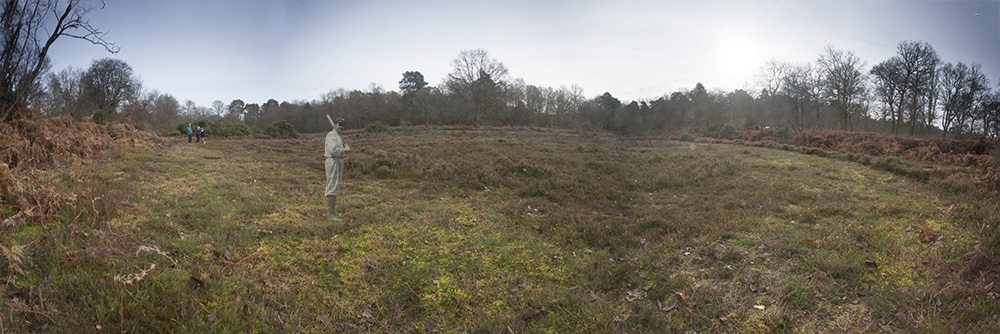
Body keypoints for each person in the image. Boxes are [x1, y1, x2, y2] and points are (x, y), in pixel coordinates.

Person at [324, 117, 350, 222]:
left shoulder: (337, 135)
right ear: (334, 124)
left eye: (342, 125)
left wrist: (343, 148)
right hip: (333, 161)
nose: (340, 127)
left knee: (336, 186)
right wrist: (345, 149)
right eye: (338, 124)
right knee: (332, 186)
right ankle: (331, 215)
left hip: (339, 161)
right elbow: (333, 151)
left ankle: (333, 214)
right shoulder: (331, 135)